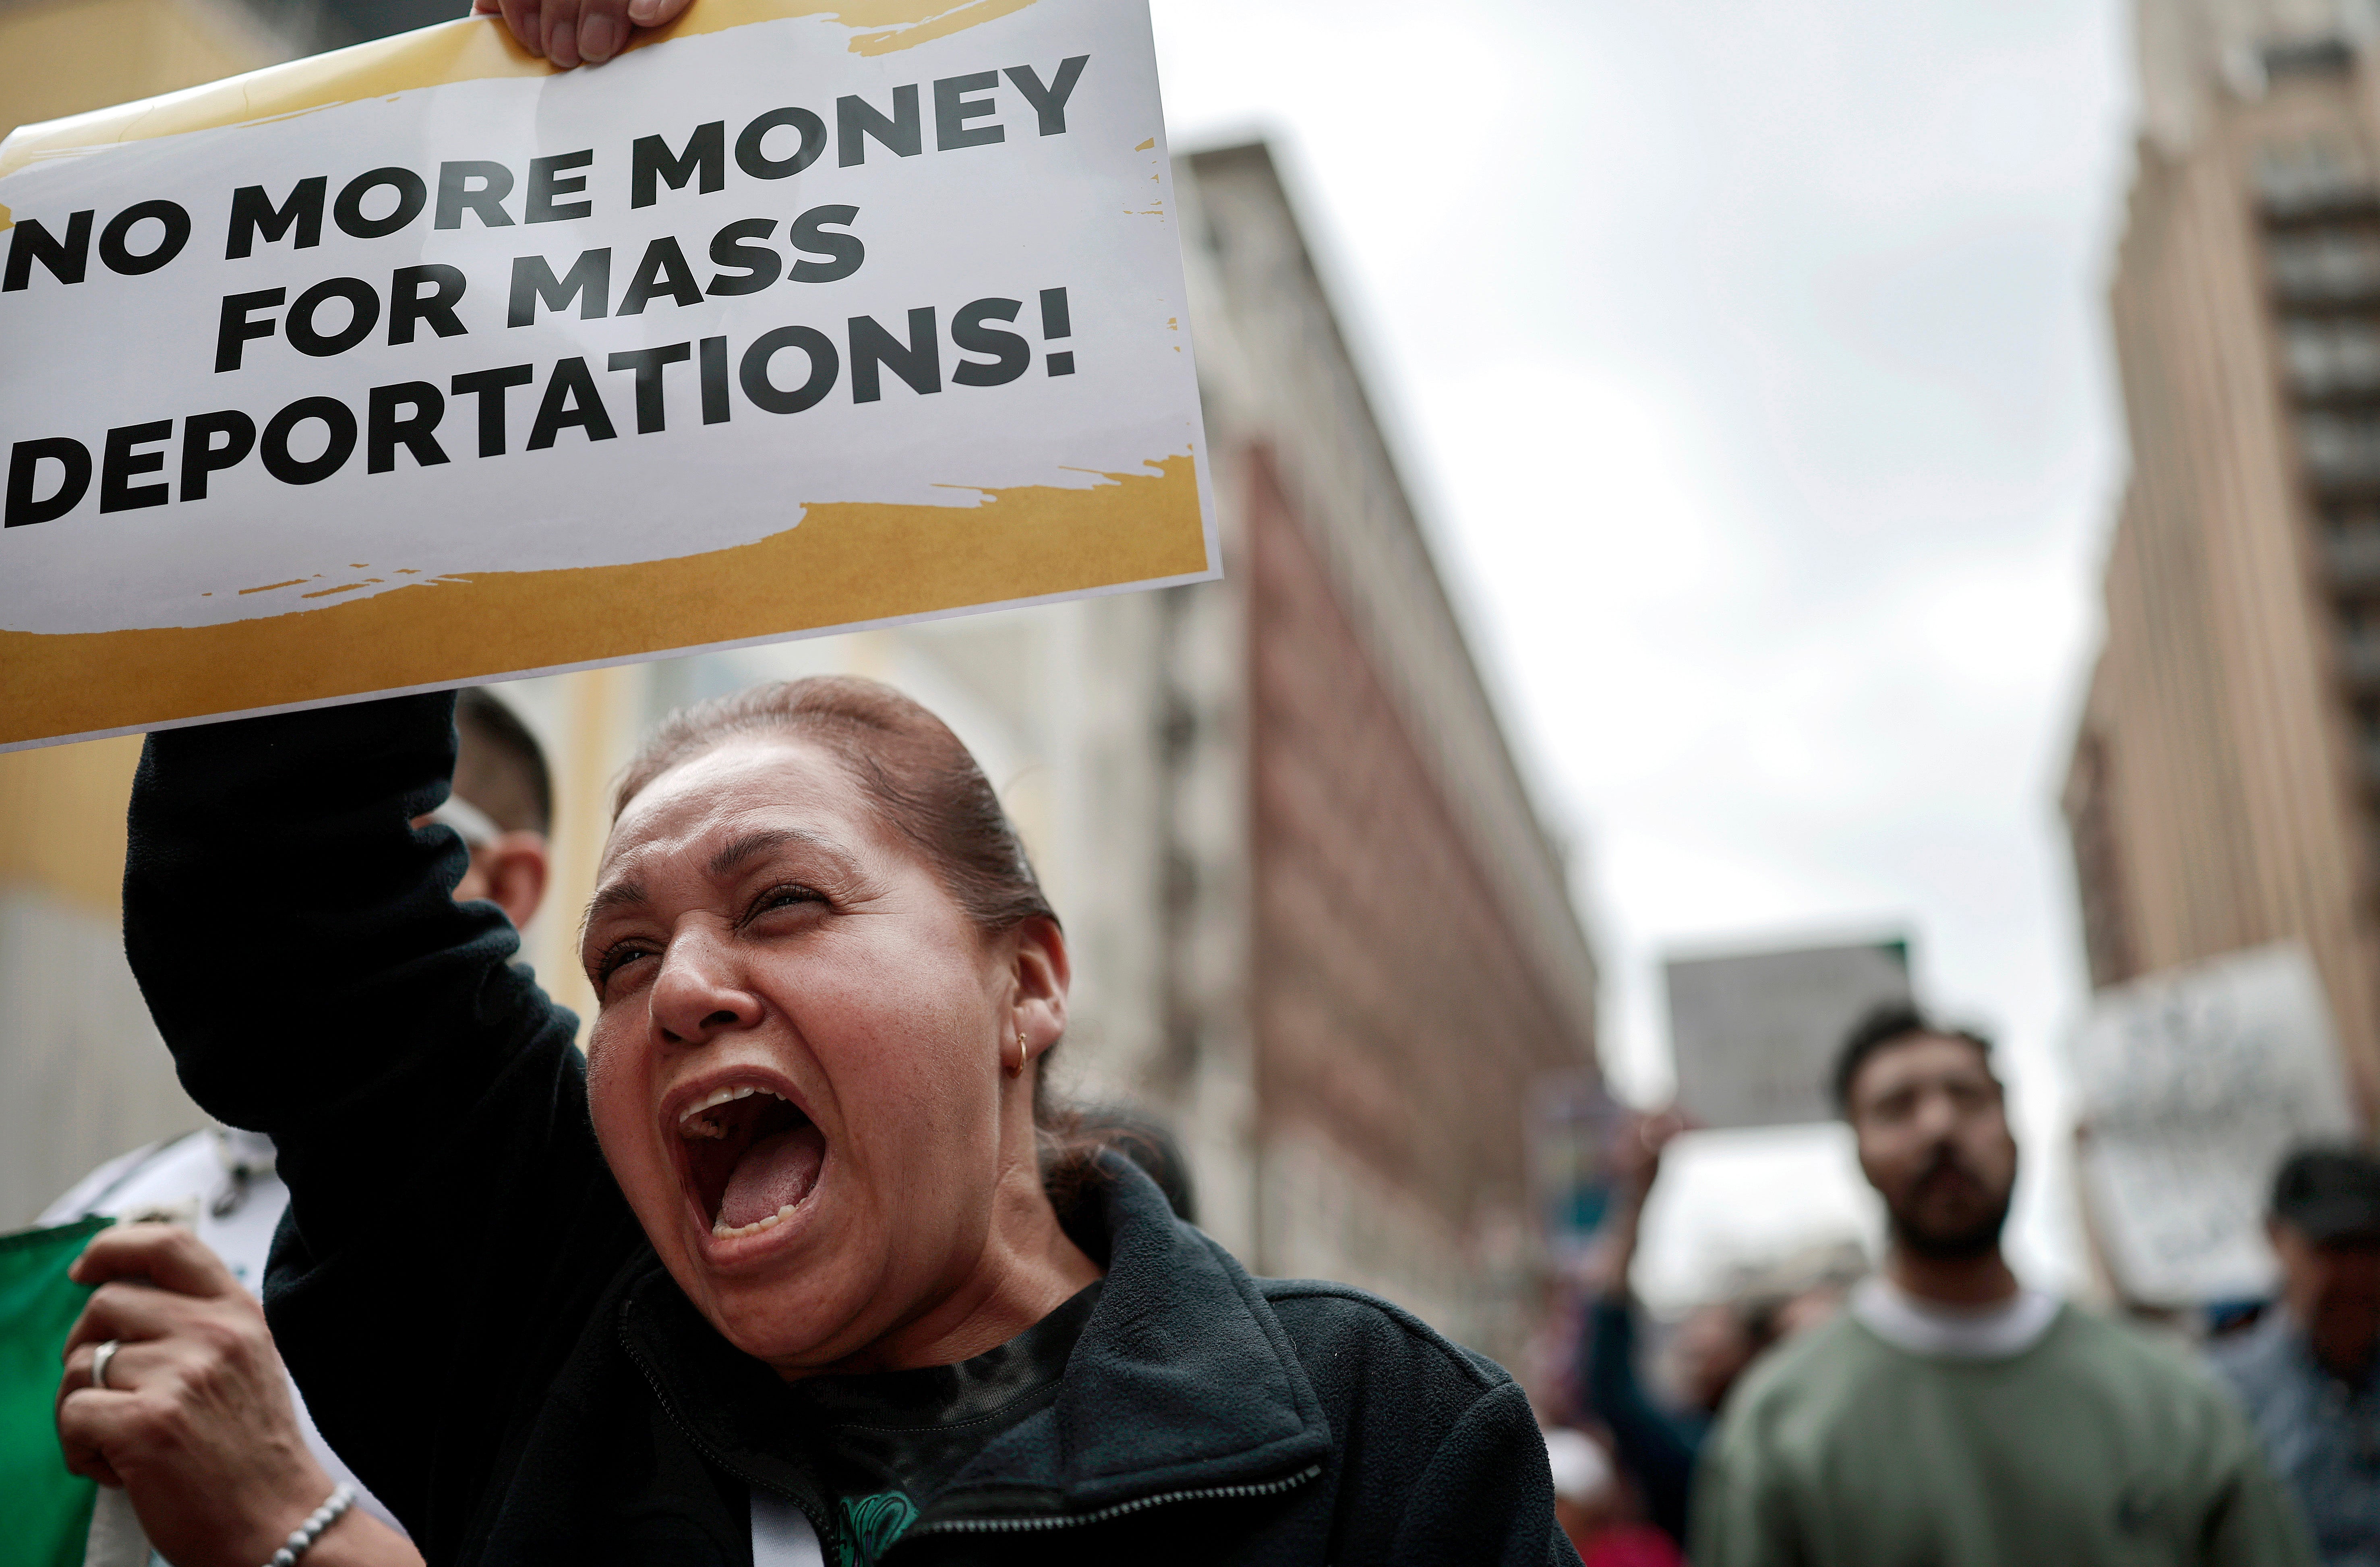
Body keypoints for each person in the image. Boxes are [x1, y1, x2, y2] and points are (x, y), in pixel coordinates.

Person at [56, 682, 1565, 1566]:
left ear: (1023, 980)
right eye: (622, 956)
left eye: (783, 898)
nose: (686, 987)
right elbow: (279, 897)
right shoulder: (559, 1303)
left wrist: (312, 1534)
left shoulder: (1378, 1436)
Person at [37, 687, 553, 1567]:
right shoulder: (102, 1208)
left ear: (507, 881)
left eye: (384, 834)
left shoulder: (565, 1248)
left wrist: (288, 1518)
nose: (286, 860)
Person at [1693, 1002, 2316, 1567]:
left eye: (1967, 1098)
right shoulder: (1780, 1430)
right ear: (1857, 1152)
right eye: (1895, 1108)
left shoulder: (2174, 1402)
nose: (1938, 1126)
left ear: (2013, 1132)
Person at [1576, 1111, 1778, 1550]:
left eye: (1716, 1322)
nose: (1693, 1333)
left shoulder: (1712, 1457)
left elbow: (1607, 1379)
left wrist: (1635, 1199)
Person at [2209, 1146, 2380, 1566]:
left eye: (2369, 1247)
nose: (2355, 1274)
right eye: (2332, 1249)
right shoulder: (2223, 1398)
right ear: (2276, 1237)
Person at [1543, 1428, 1683, 1567]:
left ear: (1588, 1508)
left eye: (1558, 1502)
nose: (1545, 1510)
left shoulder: (1644, 1554)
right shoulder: (1534, 1552)